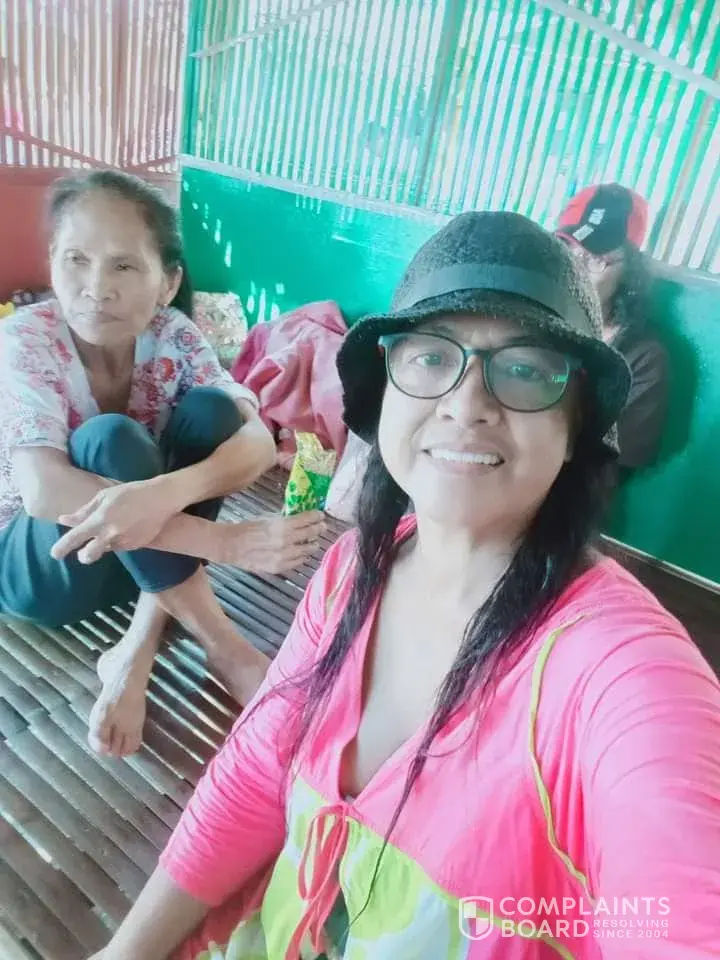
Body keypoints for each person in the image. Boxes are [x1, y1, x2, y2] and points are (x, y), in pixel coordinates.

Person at [90, 213, 720, 960]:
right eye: (429, 356)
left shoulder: (624, 674)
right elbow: (258, 773)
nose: (467, 402)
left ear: (575, 427)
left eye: (524, 368)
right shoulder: (350, 573)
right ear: (387, 391)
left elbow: (676, 920)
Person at [0, 170, 324, 758]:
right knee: (110, 439)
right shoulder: (24, 339)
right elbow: (44, 492)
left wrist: (160, 494)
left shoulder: (172, 332)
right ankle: (226, 647)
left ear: (168, 282)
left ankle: (134, 649)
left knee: (212, 412)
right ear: (52, 263)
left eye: (124, 266)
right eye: (76, 260)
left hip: (137, 565)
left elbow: (255, 440)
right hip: (45, 571)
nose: (96, 288)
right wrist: (221, 542)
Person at [556, 183, 669, 472]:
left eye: (595, 259)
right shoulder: (533, 320)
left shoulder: (642, 358)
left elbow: (615, 461)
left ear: (629, 272)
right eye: (568, 252)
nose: (575, 271)